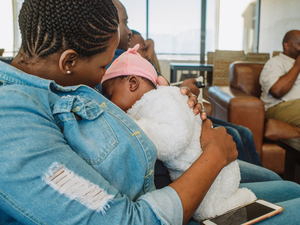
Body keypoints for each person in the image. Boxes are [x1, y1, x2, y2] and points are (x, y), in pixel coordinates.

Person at [1, 1, 300, 225]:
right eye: (104, 66)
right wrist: (214, 155)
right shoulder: (12, 122)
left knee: (286, 185)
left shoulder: (61, 80)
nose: (105, 75)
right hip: (164, 203)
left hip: (164, 171)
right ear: (69, 61)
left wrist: (178, 99)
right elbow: (126, 219)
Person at [101, 44, 257, 221]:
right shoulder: (146, 101)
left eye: (109, 95)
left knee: (207, 210)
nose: (108, 103)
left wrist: (138, 127)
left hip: (209, 174)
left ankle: (244, 200)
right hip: (199, 173)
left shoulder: (159, 101)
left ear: (133, 83)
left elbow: (173, 141)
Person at [127, 26, 262, 166]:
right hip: (178, 118)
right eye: (143, 49)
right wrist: (183, 91)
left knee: (244, 132)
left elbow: (151, 51)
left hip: (181, 110)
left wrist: (148, 44)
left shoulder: (144, 66)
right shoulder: (133, 75)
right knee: (236, 133)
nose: (148, 54)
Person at [260, 29, 300, 128]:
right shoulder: (275, 62)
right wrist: (298, 65)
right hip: (279, 107)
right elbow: (276, 91)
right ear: (287, 46)